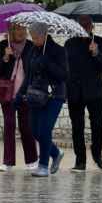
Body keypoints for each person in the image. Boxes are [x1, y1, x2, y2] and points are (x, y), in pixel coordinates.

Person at [63, 17, 102, 172]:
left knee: (97, 126)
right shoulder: (69, 44)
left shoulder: (101, 43)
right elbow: (65, 68)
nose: (84, 27)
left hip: (94, 92)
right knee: (77, 127)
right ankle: (80, 160)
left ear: (92, 26)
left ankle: (97, 155)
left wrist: (96, 53)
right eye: (81, 24)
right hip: (75, 92)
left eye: (87, 24)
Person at [19, 25, 68, 176]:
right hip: (36, 95)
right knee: (35, 131)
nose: (34, 41)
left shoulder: (59, 51)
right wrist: (20, 94)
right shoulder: (33, 51)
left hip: (54, 95)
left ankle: (43, 166)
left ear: (45, 35)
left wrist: (48, 64)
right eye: (32, 38)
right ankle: (56, 153)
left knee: (45, 130)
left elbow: (63, 75)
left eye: (36, 38)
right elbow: (28, 75)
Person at [0, 24, 37, 172]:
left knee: (26, 126)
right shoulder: (4, 45)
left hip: (25, 91)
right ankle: (8, 162)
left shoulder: (31, 46)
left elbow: (34, 68)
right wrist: (6, 57)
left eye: (22, 29)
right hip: (7, 91)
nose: (20, 32)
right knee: (9, 125)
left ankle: (32, 160)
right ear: (11, 31)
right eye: (16, 29)